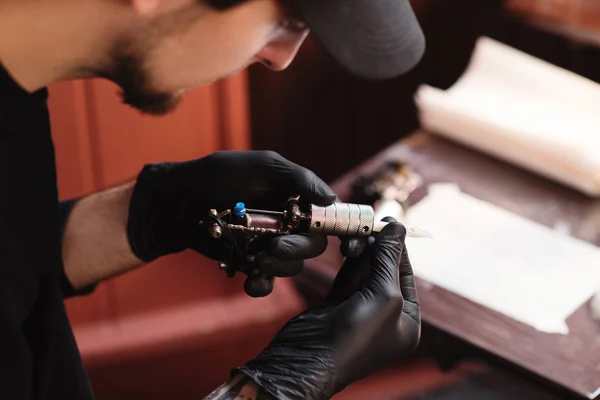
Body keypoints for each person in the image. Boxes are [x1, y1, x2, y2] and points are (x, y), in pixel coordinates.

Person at [0, 0, 426, 399]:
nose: (280, 58)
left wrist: (154, 211)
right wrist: (274, 388)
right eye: (287, 22)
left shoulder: (18, 92)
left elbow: (16, 268)